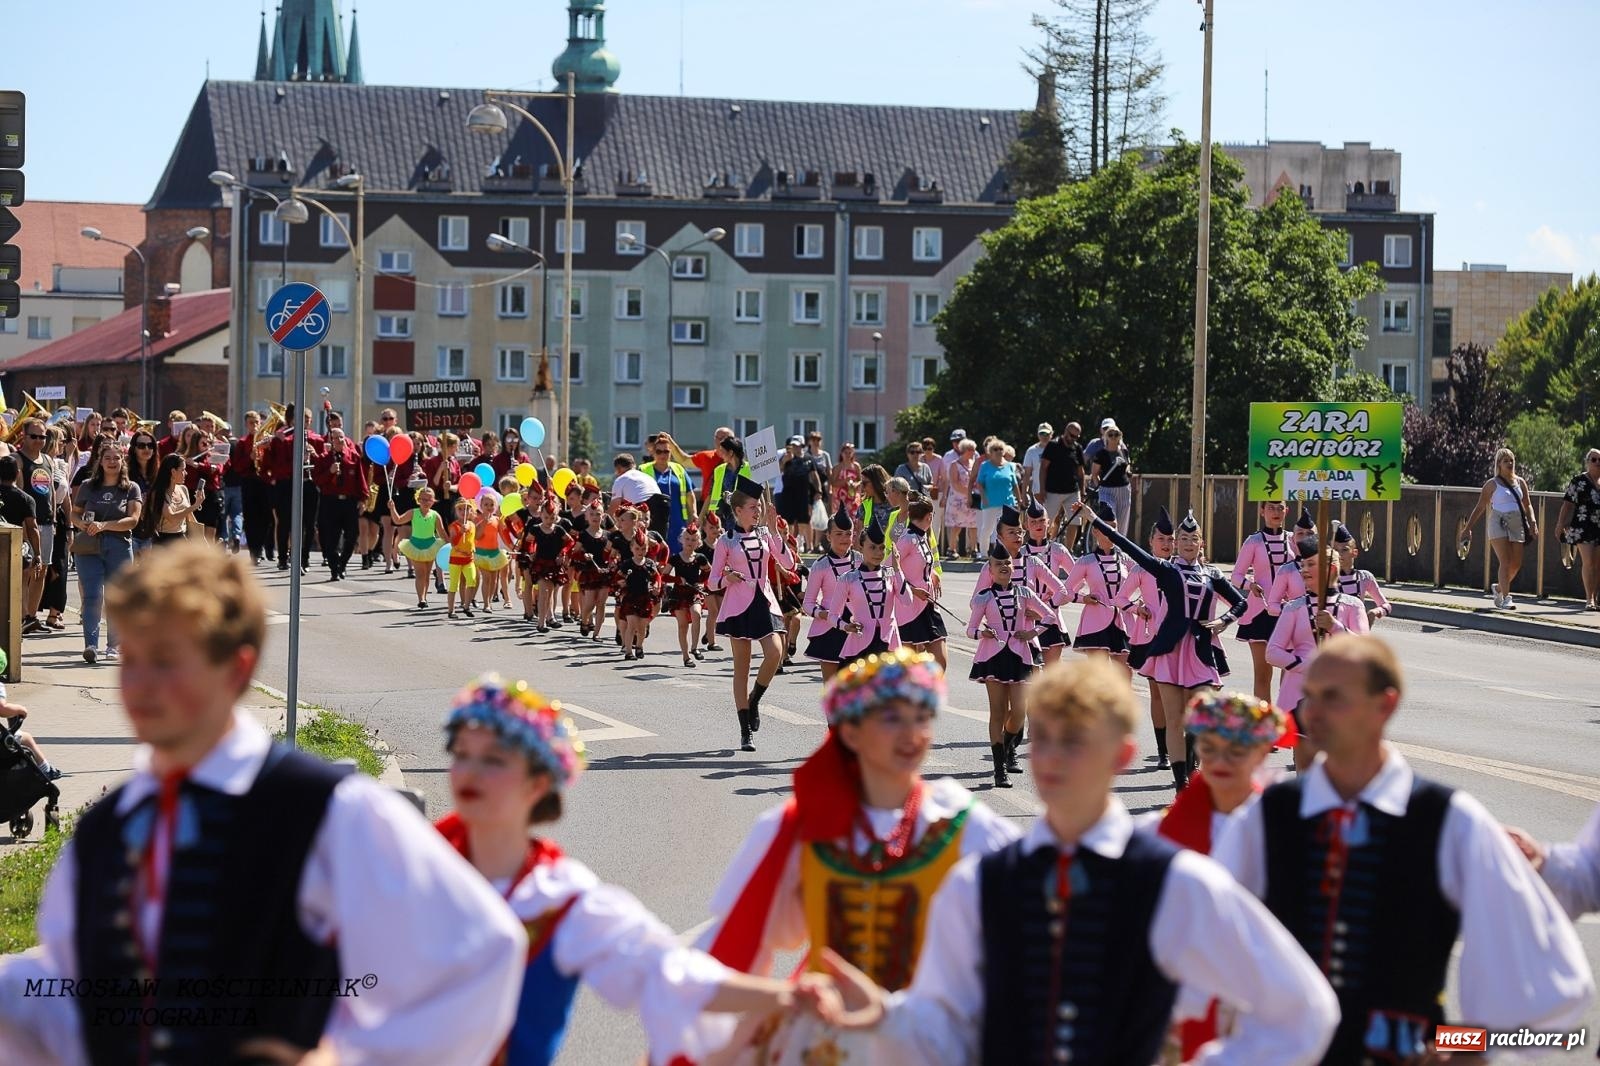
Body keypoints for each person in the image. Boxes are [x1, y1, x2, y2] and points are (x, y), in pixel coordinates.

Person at [0, 542, 528, 1066]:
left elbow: (483, 948)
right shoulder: (107, 827)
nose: (139, 685)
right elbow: (67, 991)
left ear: (235, 668)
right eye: (130, 659)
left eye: (165, 661)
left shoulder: (325, 810)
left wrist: (352, 1058)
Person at [832, 656, 1339, 1066]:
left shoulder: (1173, 880)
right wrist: (885, 1019)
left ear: (1121, 754)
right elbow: (941, 1028)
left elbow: (1303, 1011)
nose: (1051, 758)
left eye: (1074, 742)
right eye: (1043, 739)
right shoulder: (981, 883)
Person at [1215, 633, 1594, 1063]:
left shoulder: (1449, 819)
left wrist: (1471, 1048)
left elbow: (1543, 980)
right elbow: (1207, 948)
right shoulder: (1267, 815)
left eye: (1334, 698)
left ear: (1386, 705)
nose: (1313, 713)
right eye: (1310, 697)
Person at [435, 673, 842, 1066]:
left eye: (493, 760)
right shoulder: (414, 866)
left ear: (538, 783)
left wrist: (782, 997)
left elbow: (672, 973)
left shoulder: (562, 900)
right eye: (461, 755)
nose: (470, 772)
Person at [698, 648, 1020, 1065]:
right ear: (850, 733)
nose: (911, 734)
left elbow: (1027, 939)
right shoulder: (802, 826)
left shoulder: (966, 827)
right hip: (820, 1039)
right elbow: (759, 937)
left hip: (926, 1038)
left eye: (921, 717)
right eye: (891, 719)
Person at [1078, 503, 1247, 791]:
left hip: (1201, 651)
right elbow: (1129, 548)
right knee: (1174, 718)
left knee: (1200, 714)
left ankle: (1194, 767)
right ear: (1176, 544)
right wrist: (1094, 520)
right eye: (1183, 539)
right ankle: (1182, 781)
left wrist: (1224, 621)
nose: (1188, 544)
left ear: (1201, 542)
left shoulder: (1213, 574)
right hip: (1169, 650)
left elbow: (1241, 602)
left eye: (1194, 539)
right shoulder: (1167, 570)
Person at [1156, 690, 1289, 1058]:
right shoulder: (1161, 831)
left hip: (1264, 983)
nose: (1219, 761)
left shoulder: (1284, 829)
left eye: (1236, 750)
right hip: (1187, 986)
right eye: (1209, 748)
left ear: (1262, 752)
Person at [1266, 543, 1369, 771]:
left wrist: (1336, 627)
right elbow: (1272, 652)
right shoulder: (1293, 608)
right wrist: (1306, 666)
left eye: (1310, 564)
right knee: (1304, 767)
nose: (1303, 570)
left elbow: (1365, 651)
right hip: (1300, 694)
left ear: (1331, 569)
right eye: (1302, 564)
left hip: (1340, 694)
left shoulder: (1353, 606)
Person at [708, 476, 787, 752]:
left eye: (759, 507)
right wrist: (726, 578)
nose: (757, 511)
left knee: (775, 652)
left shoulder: (765, 534)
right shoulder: (726, 542)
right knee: (741, 667)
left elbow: (787, 561)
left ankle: (754, 700)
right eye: (753, 507)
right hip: (738, 606)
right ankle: (744, 731)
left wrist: (777, 533)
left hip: (763, 602)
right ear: (738, 510)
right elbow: (711, 581)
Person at [968, 541, 1054, 788]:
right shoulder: (984, 597)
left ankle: (1006, 748)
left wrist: (1032, 632)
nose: (1004, 566)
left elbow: (1049, 615)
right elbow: (970, 628)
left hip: (1019, 656)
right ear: (990, 570)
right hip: (992, 657)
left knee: (1018, 711)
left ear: (1013, 565)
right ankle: (999, 769)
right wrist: (980, 634)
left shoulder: (1025, 592)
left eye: (1007, 562)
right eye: (998, 564)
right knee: (997, 711)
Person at [69, 441, 142, 665]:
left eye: (116, 458)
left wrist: (105, 525)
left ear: (123, 462)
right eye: (107, 458)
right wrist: (83, 526)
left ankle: (114, 646)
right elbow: (74, 514)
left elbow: (133, 520)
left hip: (119, 546)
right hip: (89, 547)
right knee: (92, 596)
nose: (112, 462)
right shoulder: (88, 486)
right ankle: (91, 645)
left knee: (116, 597)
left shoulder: (131, 488)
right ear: (100, 461)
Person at [1118, 506, 1175, 768]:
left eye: (1170, 539)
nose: (1166, 544)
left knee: (1183, 695)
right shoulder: (1142, 570)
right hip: (1152, 638)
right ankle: (1164, 751)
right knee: (1158, 695)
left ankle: (1183, 750)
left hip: (1180, 637)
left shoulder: (1184, 569)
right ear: (1150, 542)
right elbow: (1120, 598)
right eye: (1161, 539)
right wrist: (1137, 608)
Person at [1232, 499, 1295, 703]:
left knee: (1291, 672)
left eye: (1280, 508)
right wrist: (1250, 584)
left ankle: (1286, 721)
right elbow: (1236, 576)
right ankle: (1264, 728)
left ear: (1287, 510)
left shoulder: (1295, 540)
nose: (1275, 512)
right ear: (1262, 511)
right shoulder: (1254, 541)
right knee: (1262, 675)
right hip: (1260, 613)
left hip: (1290, 613)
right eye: (1270, 508)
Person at [1461, 446, 1538, 610]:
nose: (1509, 463)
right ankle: (1506, 598)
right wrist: (1467, 528)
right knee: (1505, 560)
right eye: (1505, 461)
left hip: (1517, 522)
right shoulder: (1492, 484)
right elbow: (1480, 507)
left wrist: (1532, 521)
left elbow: (1528, 505)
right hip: (1498, 521)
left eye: (1511, 460)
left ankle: (1498, 588)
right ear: (1499, 464)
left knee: (1516, 563)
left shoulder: (1520, 482)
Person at [824, 512, 899, 670]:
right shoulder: (848, 578)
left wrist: (898, 570)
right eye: (872, 547)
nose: (879, 553)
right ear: (861, 547)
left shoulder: (891, 574)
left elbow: (907, 600)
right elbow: (832, 615)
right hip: (860, 644)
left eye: (882, 548)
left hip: (889, 644)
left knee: (888, 693)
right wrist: (845, 626)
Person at [1062, 500, 1130, 667]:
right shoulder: (1086, 561)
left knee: (1123, 678)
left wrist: (1137, 603)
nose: (1111, 531)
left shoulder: (1127, 560)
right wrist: (1083, 599)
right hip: (1095, 623)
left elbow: (1145, 582)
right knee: (1100, 679)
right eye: (1106, 527)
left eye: (1114, 526)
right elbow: (1066, 590)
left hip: (1122, 622)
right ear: (1095, 531)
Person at [803, 503, 861, 683]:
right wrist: (823, 614)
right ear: (828, 536)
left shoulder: (861, 561)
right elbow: (808, 604)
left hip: (858, 628)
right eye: (838, 534)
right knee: (832, 689)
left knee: (857, 689)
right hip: (830, 630)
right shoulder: (821, 566)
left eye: (848, 534)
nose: (844, 538)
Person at [266, 406, 326, 573]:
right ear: (292, 420)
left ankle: (303, 558)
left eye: (307, 420)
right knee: (284, 522)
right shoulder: (283, 438)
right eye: (300, 419)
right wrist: (276, 442)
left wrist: (313, 454)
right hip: (286, 484)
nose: (303, 423)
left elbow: (323, 464)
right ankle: (283, 558)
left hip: (309, 484)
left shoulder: (317, 439)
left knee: (308, 524)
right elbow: (273, 464)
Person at [1018, 497, 1075, 664]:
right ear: (1026, 525)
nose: (1038, 525)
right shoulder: (1019, 553)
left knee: (1052, 675)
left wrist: (1053, 603)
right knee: (1030, 673)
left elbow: (1077, 581)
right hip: (1026, 617)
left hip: (1052, 615)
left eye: (1042, 520)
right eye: (1033, 521)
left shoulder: (1058, 550)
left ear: (1048, 522)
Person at [894, 499, 947, 670]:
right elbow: (888, 569)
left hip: (929, 605)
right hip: (909, 608)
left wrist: (933, 574)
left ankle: (930, 692)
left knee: (940, 662)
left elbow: (919, 564)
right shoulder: (907, 539)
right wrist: (912, 589)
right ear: (930, 517)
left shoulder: (922, 536)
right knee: (908, 667)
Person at [14, 418, 56, 634]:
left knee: (42, 570)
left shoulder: (48, 459)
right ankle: (20, 616)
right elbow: (18, 494)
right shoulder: (17, 460)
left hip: (47, 524)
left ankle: (32, 617)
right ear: (24, 435)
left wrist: (56, 521)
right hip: (27, 524)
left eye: (43, 436)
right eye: (34, 436)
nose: (39, 440)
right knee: (26, 571)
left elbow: (52, 495)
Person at [312, 424, 367, 581]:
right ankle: (334, 568)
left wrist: (363, 499)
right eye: (335, 438)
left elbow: (360, 479)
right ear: (330, 441)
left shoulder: (354, 457)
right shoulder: (323, 459)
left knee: (352, 536)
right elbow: (317, 480)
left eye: (341, 437)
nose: (338, 440)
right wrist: (329, 472)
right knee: (329, 539)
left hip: (349, 502)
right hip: (330, 502)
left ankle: (342, 564)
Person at [1555, 446, 1600, 611]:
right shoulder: (1579, 481)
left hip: (1599, 527)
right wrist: (1560, 524)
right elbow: (1567, 504)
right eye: (1593, 459)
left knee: (1598, 564)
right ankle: (1589, 600)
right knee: (1589, 563)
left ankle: (1595, 597)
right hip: (1583, 527)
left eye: (1599, 460)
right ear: (1588, 462)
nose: (1597, 463)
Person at [389, 486, 443, 610]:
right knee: (420, 573)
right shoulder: (413, 512)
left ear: (433, 501)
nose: (425, 502)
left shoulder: (435, 515)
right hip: (416, 545)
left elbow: (442, 533)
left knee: (427, 574)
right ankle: (421, 599)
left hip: (431, 545)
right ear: (418, 500)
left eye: (428, 500)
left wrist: (451, 543)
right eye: (423, 499)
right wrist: (392, 508)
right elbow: (398, 520)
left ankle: (424, 596)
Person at [0, 457, 42, 615]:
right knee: (21, 585)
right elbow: (32, 528)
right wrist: (37, 554)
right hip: (17, 546)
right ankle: (21, 618)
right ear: (18, 473)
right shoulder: (26, 499)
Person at [665, 522, 711, 667]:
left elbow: (708, 571)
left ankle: (694, 647)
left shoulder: (700, 558)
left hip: (694, 592)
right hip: (679, 594)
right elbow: (663, 576)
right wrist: (677, 579)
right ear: (682, 540)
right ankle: (686, 656)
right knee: (683, 625)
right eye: (687, 539)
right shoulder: (675, 558)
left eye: (693, 540)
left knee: (697, 614)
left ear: (698, 542)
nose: (690, 542)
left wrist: (701, 582)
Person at [1331, 520, 1392, 626]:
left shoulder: (1365, 577)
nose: (1339, 554)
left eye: (1344, 550)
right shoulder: (1329, 578)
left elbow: (1386, 605)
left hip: (1359, 631)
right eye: (1335, 550)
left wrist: (1375, 612)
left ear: (1354, 553)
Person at [135, 452, 203, 546]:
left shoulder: (183, 489)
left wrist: (202, 539)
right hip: (164, 541)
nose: (186, 473)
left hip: (182, 538)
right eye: (183, 470)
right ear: (173, 472)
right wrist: (195, 506)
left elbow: (190, 517)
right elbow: (172, 517)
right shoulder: (158, 493)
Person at [1038, 421, 1087, 543]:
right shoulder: (1053, 445)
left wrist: (1083, 490)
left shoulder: (1077, 448)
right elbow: (1043, 468)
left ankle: (1068, 550)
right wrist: (1042, 489)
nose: (1072, 438)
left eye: (1076, 437)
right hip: (1053, 491)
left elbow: (1081, 472)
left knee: (1074, 520)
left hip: (1072, 491)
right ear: (1065, 432)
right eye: (1071, 435)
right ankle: (1041, 547)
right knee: (1046, 522)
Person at [646, 436, 695, 554]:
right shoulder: (644, 469)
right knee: (656, 554)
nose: (663, 454)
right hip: (653, 520)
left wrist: (693, 513)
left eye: (666, 451)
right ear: (653, 452)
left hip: (677, 520)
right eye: (659, 451)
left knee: (678, 555)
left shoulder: (678, 469)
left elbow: (689, 493)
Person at [1086, 425, 1133, 532]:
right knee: (1109, 519)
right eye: (1110, 434)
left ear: (1120, 436)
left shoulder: (1124, 451)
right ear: (1106, 436)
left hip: (1123, 489)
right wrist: (1099, 488)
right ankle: (1106, 544)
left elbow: (1127, 464)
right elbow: (1094, 473)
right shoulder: (1101, 454)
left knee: (1122, 522)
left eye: (1116, 434)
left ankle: (1120, 547)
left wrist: (1128, 471)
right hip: (1107, 490)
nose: (1113, 437)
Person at [974, 439, 1018, 550]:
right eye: (995, 449)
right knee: (987, 529)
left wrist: (1020, 500)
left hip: (1007, 503)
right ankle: (983, 553)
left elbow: (1014, 484)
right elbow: (979, 483)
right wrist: (983, 497)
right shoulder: (985, 466)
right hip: (990, 503)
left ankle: (1005, 551)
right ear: (990, 451)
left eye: (1000, 449)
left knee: (1006, 529)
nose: (998, 451)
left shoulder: (1009, 466)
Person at [777, 436, 822, 543]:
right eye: (793, 446)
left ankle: (803, 542)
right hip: (788, 493)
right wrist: (785, 460)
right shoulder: (786, 457)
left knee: (804, 520)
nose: (794, 448)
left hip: (804, 493)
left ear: (802, 446)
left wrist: (819, 490)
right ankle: (789, 542)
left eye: (797, 446)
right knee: (789, 521)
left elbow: (814, 475)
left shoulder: (808, 458)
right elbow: (779, 470)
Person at [941, 437, 979, 559]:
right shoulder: (954, 464)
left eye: (974, 449)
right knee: (956, 525)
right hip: (958, 499)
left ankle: (974, 549)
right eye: (971, 449)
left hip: (971, 499)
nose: (973, 451)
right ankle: (952, 549)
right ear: (965, 450)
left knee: (973, 525)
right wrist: (968, 493)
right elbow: (955, 483)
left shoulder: (974, 463)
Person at [445, 496, 480, 619]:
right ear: (456, 511)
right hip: (456, 559)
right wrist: (461, 532)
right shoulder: (453, 526)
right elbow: (453, 543)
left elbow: (472, 540)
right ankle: (451, 610)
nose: (463, 512)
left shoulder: (472, 525)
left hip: (468, 559)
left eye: (466, 509)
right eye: (460, 509)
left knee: (472, 581)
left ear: (470, 511)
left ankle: (466, 606)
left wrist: (473, 550)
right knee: (454, 585)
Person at [1020, 423, 1050, 505]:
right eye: (1042, 433)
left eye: (1047, 434)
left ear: (1051, 434)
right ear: (1038, 434)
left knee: (1055, 518)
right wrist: (1023, 495)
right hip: (1038, 492)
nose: (1044, 436)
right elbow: (1027, 475)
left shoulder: (1057, 449)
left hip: (1056, 492)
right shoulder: (1031, 451)